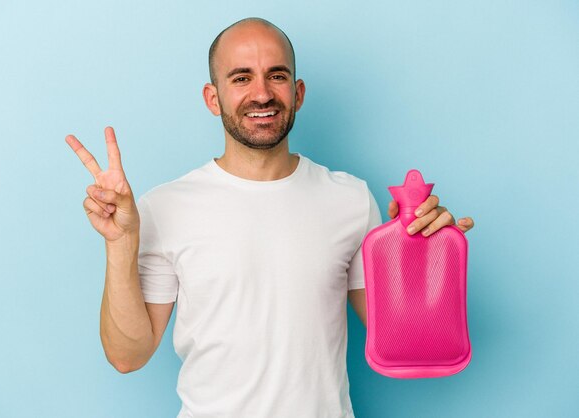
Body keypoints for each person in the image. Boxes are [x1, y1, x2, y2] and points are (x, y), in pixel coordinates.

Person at [66, 17, 474, 418]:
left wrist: (427, 252)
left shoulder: (349, 198)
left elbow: (408, 340)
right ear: (213, 98)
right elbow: (127, 356)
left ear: (297, 93)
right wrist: (120, 244)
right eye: (241, 78)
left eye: (276, 76)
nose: (261, 94)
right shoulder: (165, 206)